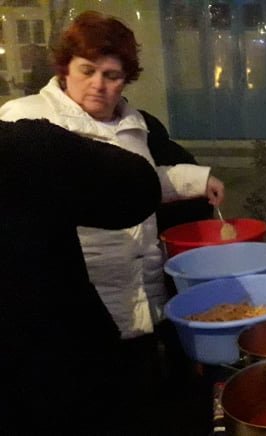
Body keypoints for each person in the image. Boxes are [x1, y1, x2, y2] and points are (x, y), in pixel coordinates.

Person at [0, 11, 224, 429]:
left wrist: (195, 179)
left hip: (143, 287)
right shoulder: (26, 123)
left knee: (145, 404)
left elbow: (138, 182)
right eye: (87, 71)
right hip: (80, 302)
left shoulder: (133, 123)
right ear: (65, 68)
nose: (99, 85)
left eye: (112, 75)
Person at [0, 118, 160, 430]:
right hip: (59, 372)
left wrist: (196, 179)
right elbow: (138, 189)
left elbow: (145, 183)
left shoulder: (138, 123)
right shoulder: (25, 144)